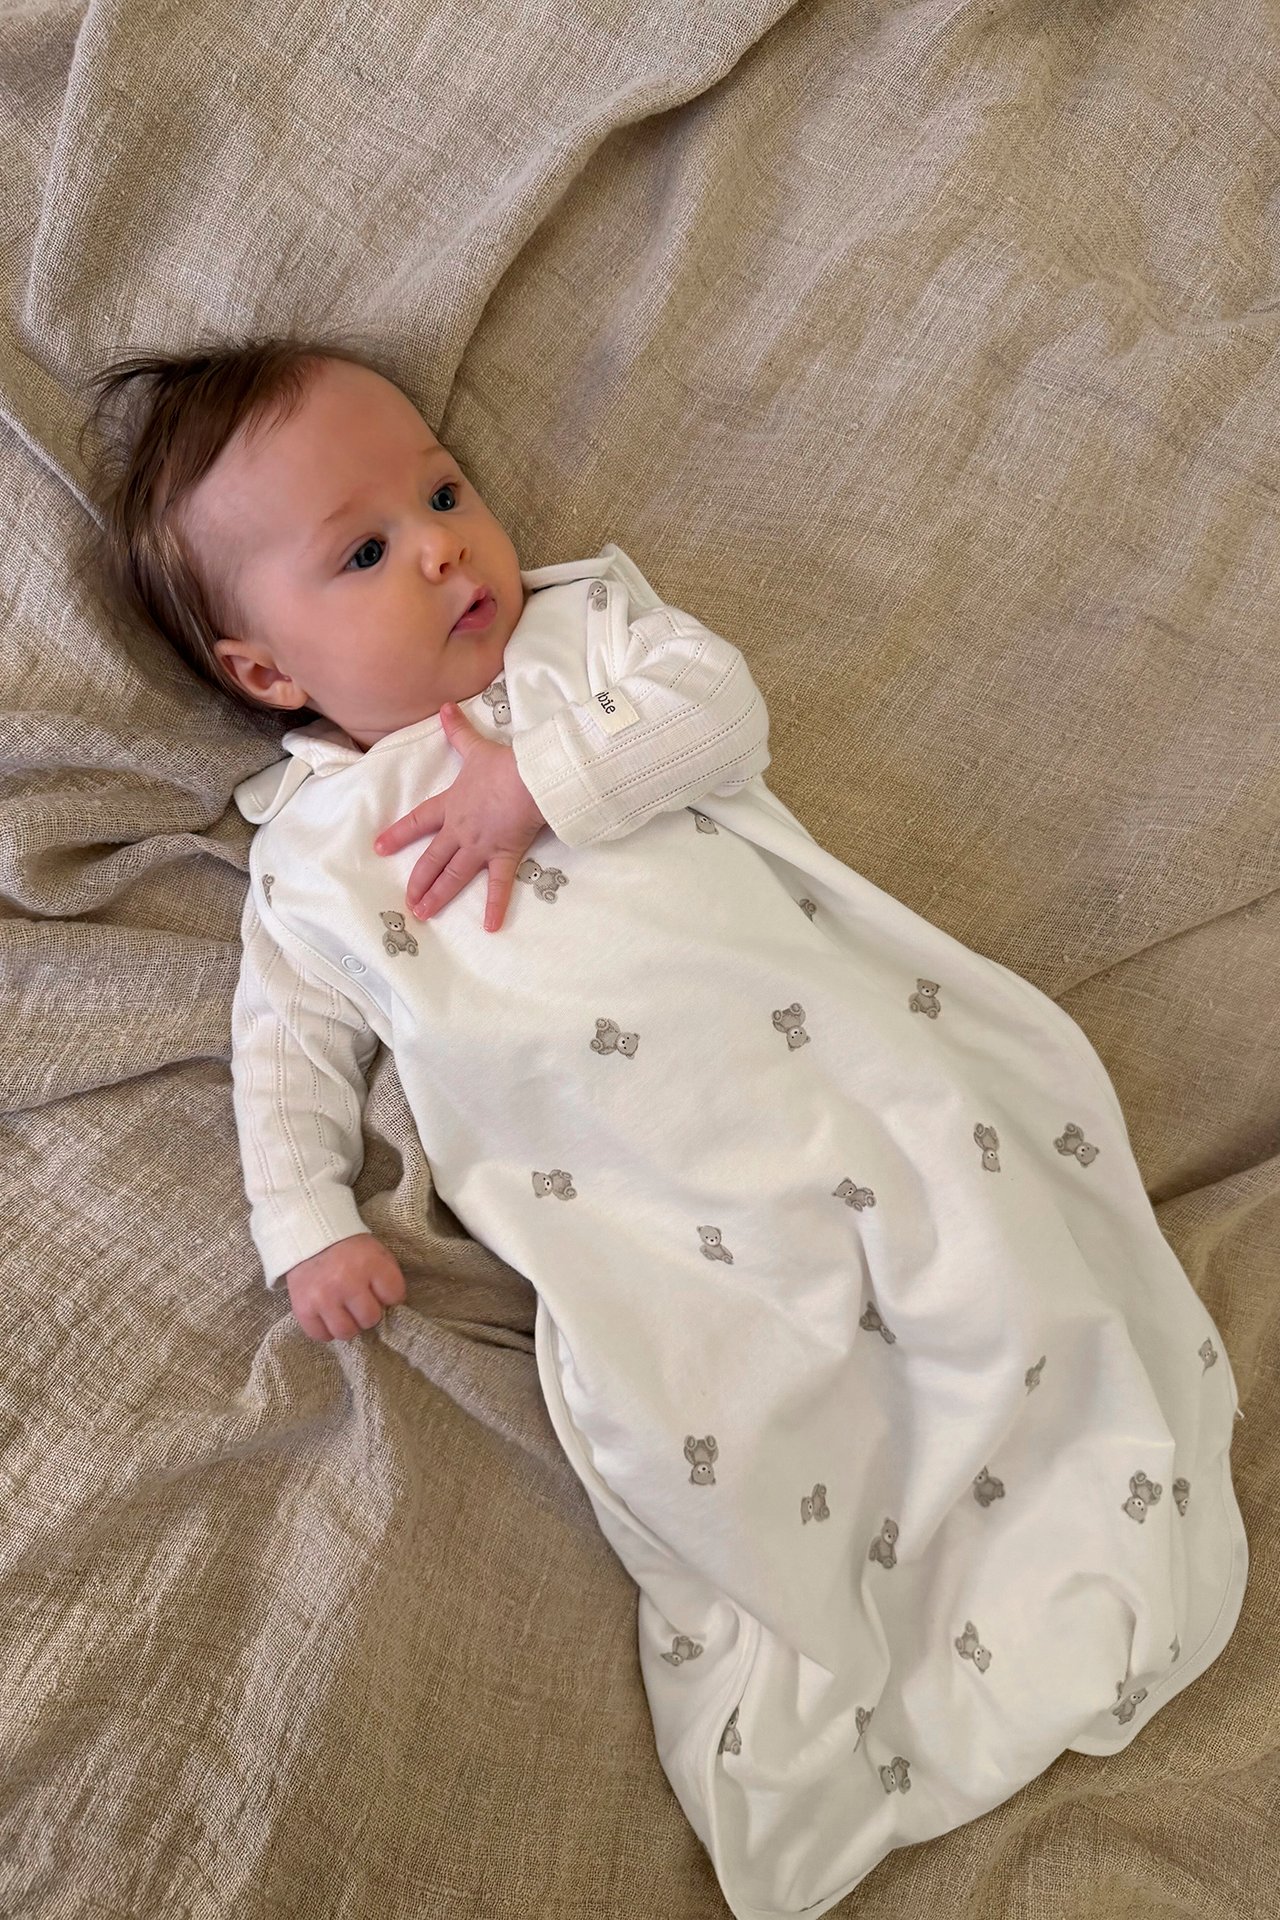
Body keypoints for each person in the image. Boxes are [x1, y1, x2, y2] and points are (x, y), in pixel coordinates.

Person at [79, 335, 1248, 1920]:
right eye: (363, 552)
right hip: (633, 1209)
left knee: (988, 1282)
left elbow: (719, 711)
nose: (442, 548)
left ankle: (1068, 1529)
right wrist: (309, 1220)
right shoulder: (311, 861)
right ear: (268, 671)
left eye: (443, 492)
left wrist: (540, 783)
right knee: (715, 1426)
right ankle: (866, 1668)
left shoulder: (583, 643)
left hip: (835, 1081)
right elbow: (283, 1051)